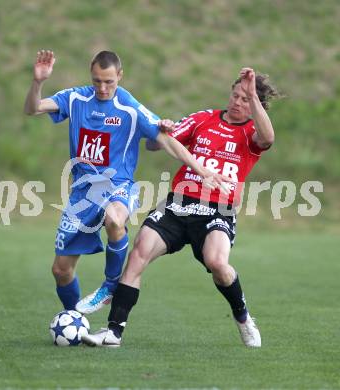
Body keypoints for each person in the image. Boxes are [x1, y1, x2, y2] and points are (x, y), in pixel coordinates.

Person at [81, 67, 278, 348]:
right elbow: (154, 145)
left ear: (255, 105)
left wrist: (253, 97)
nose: (237, 102)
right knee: (138, 253)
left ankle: (243, 317)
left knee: (218, 263)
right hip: (178, 204)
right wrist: (161, 131)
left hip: (217, 210)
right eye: (235, 95)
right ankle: (113, 332)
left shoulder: (251, 133)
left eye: (245, 99)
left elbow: (268, 138)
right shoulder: (202, 119)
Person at [24, 50, 220, 314]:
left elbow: (166, 141)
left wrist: (202, 171)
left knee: (115, 219)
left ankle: (111, 284)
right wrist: (38, 82)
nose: (103, 88)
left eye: (109, 82)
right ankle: (74, 317)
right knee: (60, 270)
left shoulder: (130, 108)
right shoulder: (75, 98)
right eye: (97, 81)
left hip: (118, 186)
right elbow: (32, 108)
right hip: (83, 194)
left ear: (120, 76)